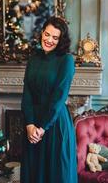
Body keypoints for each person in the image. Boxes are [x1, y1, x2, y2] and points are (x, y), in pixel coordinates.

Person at [21, 16, 77, 183]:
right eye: (47, 34)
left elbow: (59, 98)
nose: (49, 40)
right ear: (42, 33)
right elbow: (27, 93)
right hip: (32, 126)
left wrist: (42, 127)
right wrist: (30, 124)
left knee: (56, 175)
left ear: (61, 40)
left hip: (55, 123)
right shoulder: (34, 57)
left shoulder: (66, 60)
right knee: (34, 174)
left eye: (55, 37)